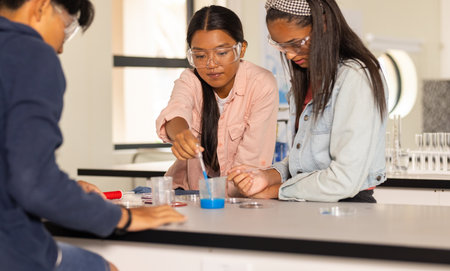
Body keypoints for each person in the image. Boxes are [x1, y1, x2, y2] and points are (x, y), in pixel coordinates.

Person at [0, 1, 185, 270]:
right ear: (40, 7)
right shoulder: (30, 54)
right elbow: (34, 184)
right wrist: (122, 218)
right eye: (66, 28)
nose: (61, 47)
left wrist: (66, 188)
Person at [228, 0, 388, 203]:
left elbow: (345, 179)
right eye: (282, 46)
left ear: (323, 25)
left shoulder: (356, 77)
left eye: (295, 44)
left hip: (348, 209)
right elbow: (308, 159)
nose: (290, 54)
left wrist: (275, 191)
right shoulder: (308, 77)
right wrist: (267, 176)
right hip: (309, 205)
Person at [156, 5, 279, 196]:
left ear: (241, 49)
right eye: (200, 56)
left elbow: (248, 169)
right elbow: (177, 111)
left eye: (221, 53)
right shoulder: (191, 79)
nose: (211, 64)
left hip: (238, 197)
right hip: (187, 194)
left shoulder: (261, 84)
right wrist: (180, 134)